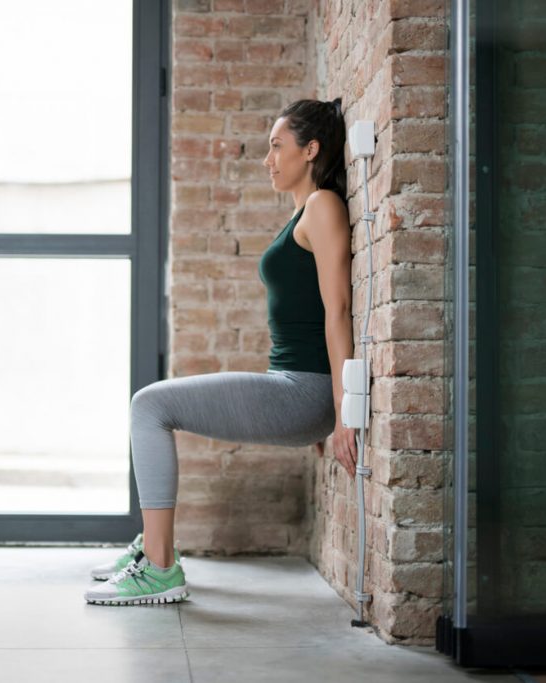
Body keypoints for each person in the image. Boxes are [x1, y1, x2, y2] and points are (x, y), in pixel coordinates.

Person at [84, 98, 359, 606]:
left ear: (310, 150)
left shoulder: (323, 206)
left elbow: (338, 311)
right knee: (151, 405)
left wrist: (339, 410)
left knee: (149, 405)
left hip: (304, 390)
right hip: (299, 389)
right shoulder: (303, 211)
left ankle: (160, 567)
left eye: (276, 146)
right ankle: (154, 549)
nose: (267, 159)